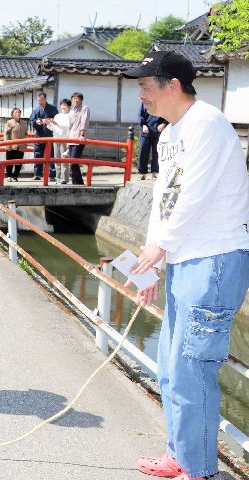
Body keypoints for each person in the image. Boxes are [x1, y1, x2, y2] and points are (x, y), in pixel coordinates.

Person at [125, 51, 249, 480]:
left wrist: (160, 249)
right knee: (174, 368)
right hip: (183, 258)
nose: (141, 96)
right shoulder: (168, 134)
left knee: (194, 369)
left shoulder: (208, 124)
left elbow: (195, 194)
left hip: (213, 260)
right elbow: (165, 202)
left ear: (172, 85)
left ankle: (198, 470)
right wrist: (150, 263)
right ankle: (179, 453)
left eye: (145, 86)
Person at [29, 92, 59, 180]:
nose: (40, 102)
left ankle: (52, 175)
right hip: (39, 134)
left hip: (51, 134)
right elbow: (32, 121)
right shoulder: (36, 110)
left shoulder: (53, 109)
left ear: (45, 99)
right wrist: (36, 123)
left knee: (52, 154)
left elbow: (56, 120)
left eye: (42, 100)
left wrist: (50, 120)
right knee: (38, 154)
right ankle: (37, 174)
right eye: (38, 100)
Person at [138, 102, 168, 180]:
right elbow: (140, 115)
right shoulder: (145, 101)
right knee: (143, 151)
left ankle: (154, 173)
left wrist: (164, 124)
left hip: (158, 130)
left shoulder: (163, 102)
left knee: (157, 152)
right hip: (146, 130)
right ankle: (142, 173)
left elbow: (167, 115)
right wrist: (143, 125)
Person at [67, 92, 90, 185]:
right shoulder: (71, 112)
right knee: (72, 163)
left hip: (79, 138)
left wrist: (82, 135)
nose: (75, 101)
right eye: (73, 99)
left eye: (77, 99)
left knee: (74, 161)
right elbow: (69, 126)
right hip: (71, 138)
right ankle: (75, 183)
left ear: (81, 100)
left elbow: (84, 122)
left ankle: (79, 183)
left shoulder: (84, 108)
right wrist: (67, 141)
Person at [47, 98, 72, 184]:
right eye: (62, 105)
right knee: (57, 159)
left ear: (69, 106)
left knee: (64, 159)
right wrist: (49, 123)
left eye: (65, 105)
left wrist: (56, 123)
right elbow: (53, 128)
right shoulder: (57, 116)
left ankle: (64, 178)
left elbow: (67, 127)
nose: (63, 107)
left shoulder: (70, 115)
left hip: (65, 139)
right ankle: (58, 177)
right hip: (56, 138)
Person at [3, 107, 28, 182]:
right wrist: (7, 143)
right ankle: (9, 175)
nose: (18, 114)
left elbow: (26, 134)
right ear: (12, 114)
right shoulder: (9, 122)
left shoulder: (24, 123)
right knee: (9, 161)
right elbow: (6, 133)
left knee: (19, 162)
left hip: (21, 145)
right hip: (11, 145)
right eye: (16, 112)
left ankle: (15, 176)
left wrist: (26, 143)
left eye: (19, 112)